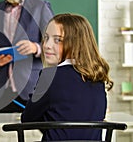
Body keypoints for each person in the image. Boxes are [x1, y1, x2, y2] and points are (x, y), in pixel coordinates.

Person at [21, 13, 114, 141]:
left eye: (57, 40)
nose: (47, 45)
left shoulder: (49, 77)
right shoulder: (97, 77)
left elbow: (27, 119)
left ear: (76, 43)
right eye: (46, 38)